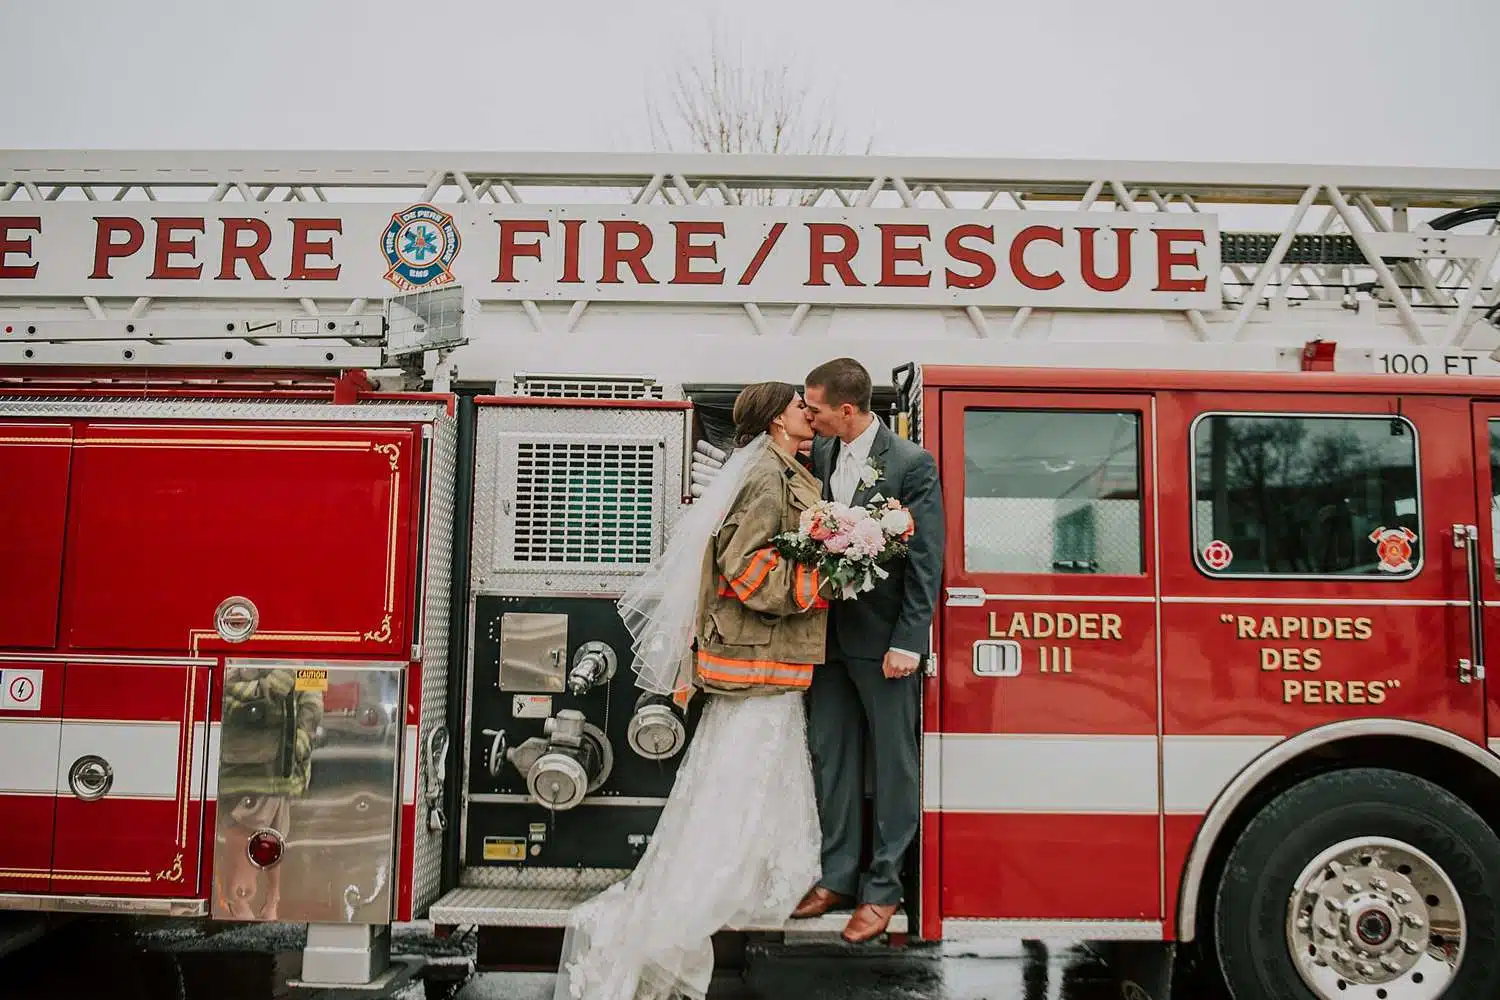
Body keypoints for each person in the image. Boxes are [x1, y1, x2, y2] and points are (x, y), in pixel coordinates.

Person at [554, 382, 829, 1000]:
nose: (807, 414)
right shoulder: (767, 476)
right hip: (760, 658)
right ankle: (711, 889)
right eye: (797, 407)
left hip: (770, 661)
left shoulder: (779, 468)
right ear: (775, 420)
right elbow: (743, 565)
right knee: (741, 772)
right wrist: (818, 583)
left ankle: (748, 874)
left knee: (749, 772)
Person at [793, 357, 945, 944]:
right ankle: (837, 877)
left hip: (884, 645)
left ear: (847, 409)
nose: (809, 417)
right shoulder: (822, 453)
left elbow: (926, 560)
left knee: (892, 763)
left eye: (815, 408)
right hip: (826, 639)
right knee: (831, 757)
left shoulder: (911, 463)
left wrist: (909, 641)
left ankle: (883, 888)